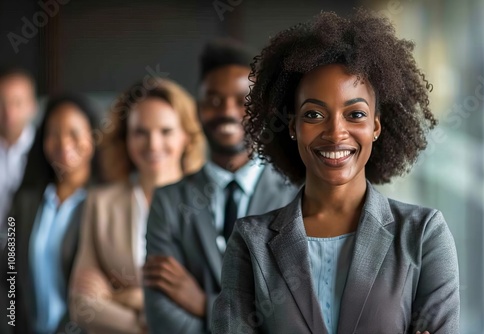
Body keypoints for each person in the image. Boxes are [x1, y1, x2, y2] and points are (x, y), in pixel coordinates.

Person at [212, 10, 460, 334]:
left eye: (355, 113)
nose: (336, 132)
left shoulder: (424, 235)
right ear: (293, 127)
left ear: (376, 127)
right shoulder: (251, 242)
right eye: (314, 114)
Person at [143, 39, 298, 334]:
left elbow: (290, 317)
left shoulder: (296, 195)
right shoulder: (167, 201)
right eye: (213, 100)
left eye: (242, 101)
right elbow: (162, 317)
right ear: (198, 109)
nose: (227, 111)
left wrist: (203, 302)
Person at [68, 78, 205, 334]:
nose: (153, 144)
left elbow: (216, 300)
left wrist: (130, 298)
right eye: (140, 132)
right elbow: (83, 305)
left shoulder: (209, 201)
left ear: (187, 136)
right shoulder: (100, 204)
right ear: (126, 138)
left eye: (166, 131)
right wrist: (152, 324)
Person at [1, 94, 101, 334]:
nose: (64, 143)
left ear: (93, 137)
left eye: (74, 132)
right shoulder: (24, 202)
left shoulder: (106, 204)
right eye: (53, 133)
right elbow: (8, 274)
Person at [0, 68, 37, 239]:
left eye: (18, 103)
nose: (9, 113)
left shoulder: (47, 151)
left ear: (32, 106)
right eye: (2, 104)